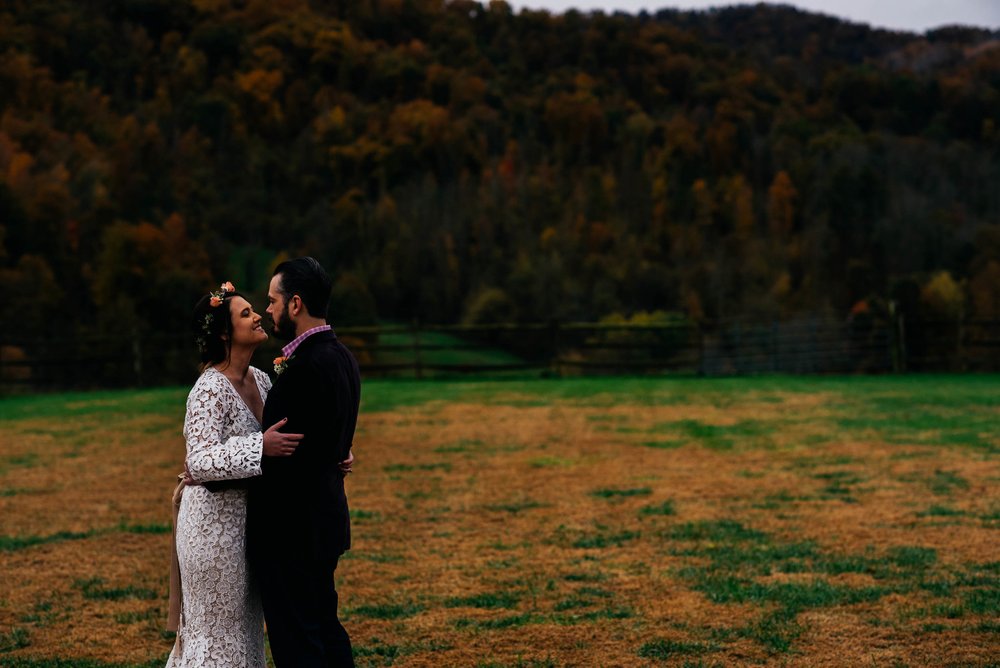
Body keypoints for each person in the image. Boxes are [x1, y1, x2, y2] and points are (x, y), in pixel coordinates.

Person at [166, 282, 303, 667]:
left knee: (245, 632)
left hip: (249, 527)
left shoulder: (261, 379)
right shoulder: (208, 390)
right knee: (216, 635)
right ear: (225, 333)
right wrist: (260, 447)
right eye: (246, 314)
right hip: (211, 532)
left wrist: (331, 453)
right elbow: (199, 461)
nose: (258, 315)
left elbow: (287, 437)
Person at [248, 257, 361, 667]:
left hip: (291, 532)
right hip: (324, 522)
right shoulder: (343, 357)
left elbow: (287, 459)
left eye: (273, 301)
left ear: (295, 304)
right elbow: (326, 436)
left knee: (299, 645)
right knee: (325, 630)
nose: (268, 311)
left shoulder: (307, 367)